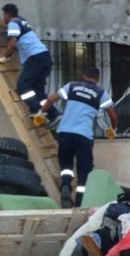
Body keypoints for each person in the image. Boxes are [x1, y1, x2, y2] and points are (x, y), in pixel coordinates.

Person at [35, 67, 118, 207]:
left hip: (65, 133)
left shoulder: (72, 86)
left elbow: (51, 99)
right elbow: (112, 115)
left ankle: (66, 185)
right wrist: (113, 129)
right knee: (84, 169)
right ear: (97, 79)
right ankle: (80, 199)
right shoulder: (100, 93)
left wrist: (40, 113)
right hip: (84, 136)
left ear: (83, 75)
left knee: (66, 165)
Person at [0, 3, 58, 121]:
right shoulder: (21, 21)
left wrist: (5, 57)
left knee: (23, 86)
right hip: (44, 56)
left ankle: (35, 110)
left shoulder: (13, 23)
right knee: (38, 90)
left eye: (3, 15)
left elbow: (12, 42)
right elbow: (5, 27)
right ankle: (53, 115)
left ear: (7, 14)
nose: (3, 18)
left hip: (35, 57)